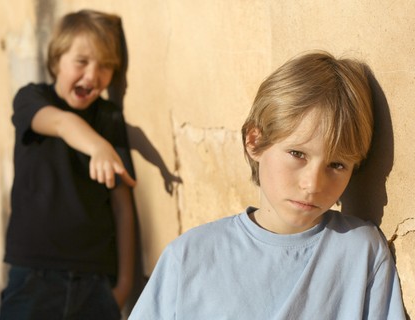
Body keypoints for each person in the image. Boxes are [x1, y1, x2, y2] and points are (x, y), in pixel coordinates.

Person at [129, 51, 406, 319]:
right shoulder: (189, 256)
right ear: (254, 141)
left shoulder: (361, 252)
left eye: (337, 165)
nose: (313, 184)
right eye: (297, 154)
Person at [0, 9, 136, 320]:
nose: (92, 75)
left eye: (105, 66)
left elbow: (122, 206)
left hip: (95, 283)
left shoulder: (109, 118)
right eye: (82, 61)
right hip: (33, 276)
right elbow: (60, 123)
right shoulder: (31, 99)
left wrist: (124, 285)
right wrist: (98, 146)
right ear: (56, 59)